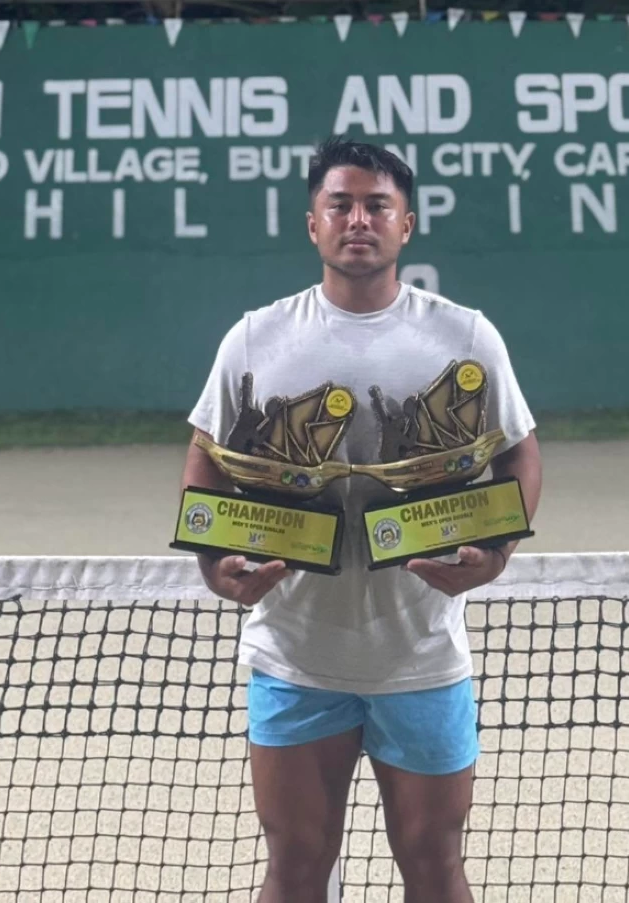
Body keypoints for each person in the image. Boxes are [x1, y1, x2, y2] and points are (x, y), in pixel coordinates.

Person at [181, 136, 542, 903]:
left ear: (406, 224)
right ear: (311, 224)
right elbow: (205, 458)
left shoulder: (468, 337)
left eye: (377, 205)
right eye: (338, 204)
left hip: (421, 653)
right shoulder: (254, 338)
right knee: (297, 866)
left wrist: (498, 552)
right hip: (293, 654)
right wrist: (216, 565)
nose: (357, 219)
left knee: (435, 864)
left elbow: (521, 456)